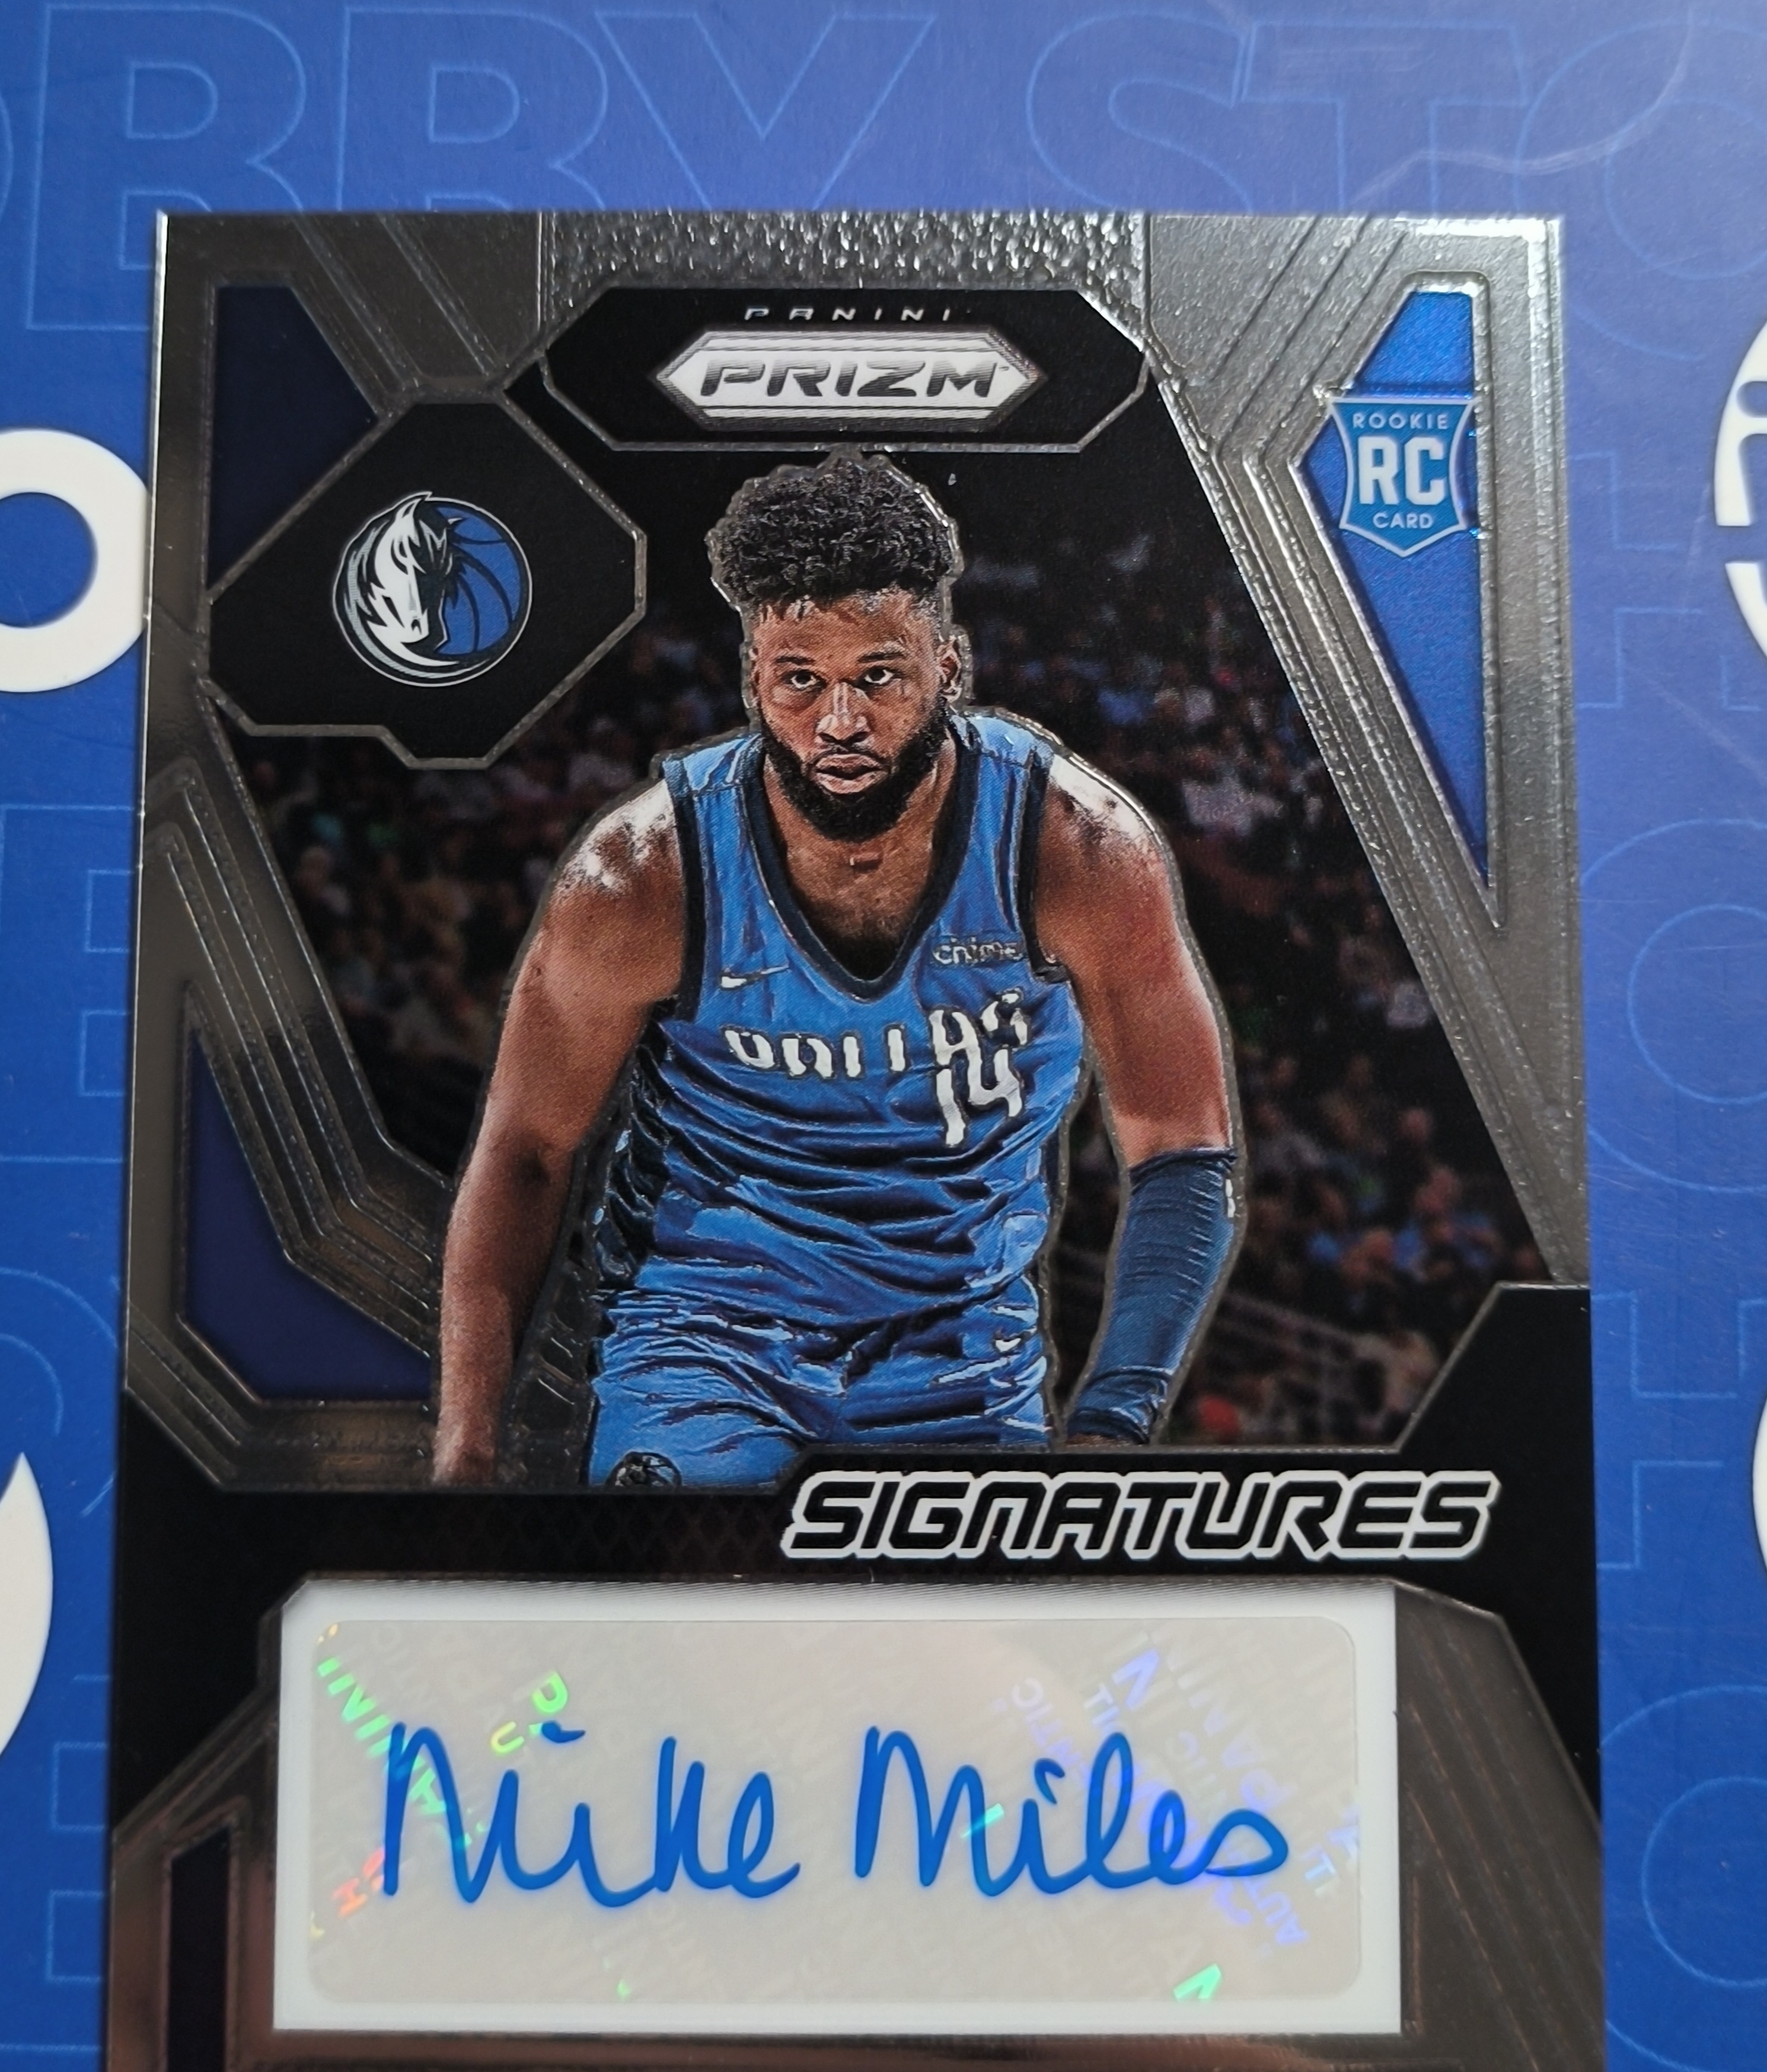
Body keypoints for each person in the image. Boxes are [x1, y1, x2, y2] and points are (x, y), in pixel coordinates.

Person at [434, 451, 1240, 1488]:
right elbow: (526, 1151)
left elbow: (1182, 1148)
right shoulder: (640, 876)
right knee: (695, 1584)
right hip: (705, 1338)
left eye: (879, 676)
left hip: (960, 1354)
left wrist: (1111, 1428)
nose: (841, 722)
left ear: (949, 666)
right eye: (801, 681)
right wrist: (467, 1452)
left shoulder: (1076, 851)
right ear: (753, 680)